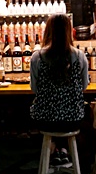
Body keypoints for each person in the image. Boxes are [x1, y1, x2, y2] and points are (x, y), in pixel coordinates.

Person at [30, 14, 89, 165]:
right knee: (83, 115)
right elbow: (83, 87)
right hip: (73, 119)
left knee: (42, 115)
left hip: (45, 119)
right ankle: (64, 149)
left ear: (48, 31)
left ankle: (54, 148)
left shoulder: (37, 57)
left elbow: (34, 89)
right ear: (69, 31)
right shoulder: (80, 56)